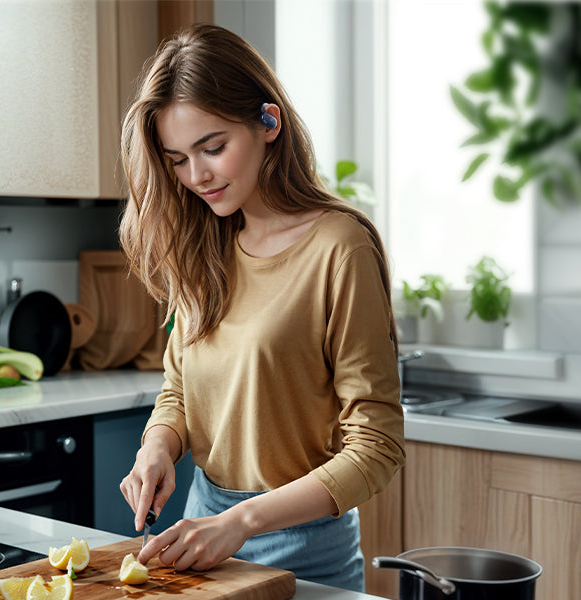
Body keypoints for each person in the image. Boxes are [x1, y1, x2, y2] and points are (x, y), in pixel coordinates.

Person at [116, 24, 404, 592]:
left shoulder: (338, 246)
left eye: (213, 148)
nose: (196, 176)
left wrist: (242, 521)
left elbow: (378, 444)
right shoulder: (202, 246)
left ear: (268, 122)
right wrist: (157, 447)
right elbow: (179, 390)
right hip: (203, 538)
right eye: (177, 159)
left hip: (305, 550)